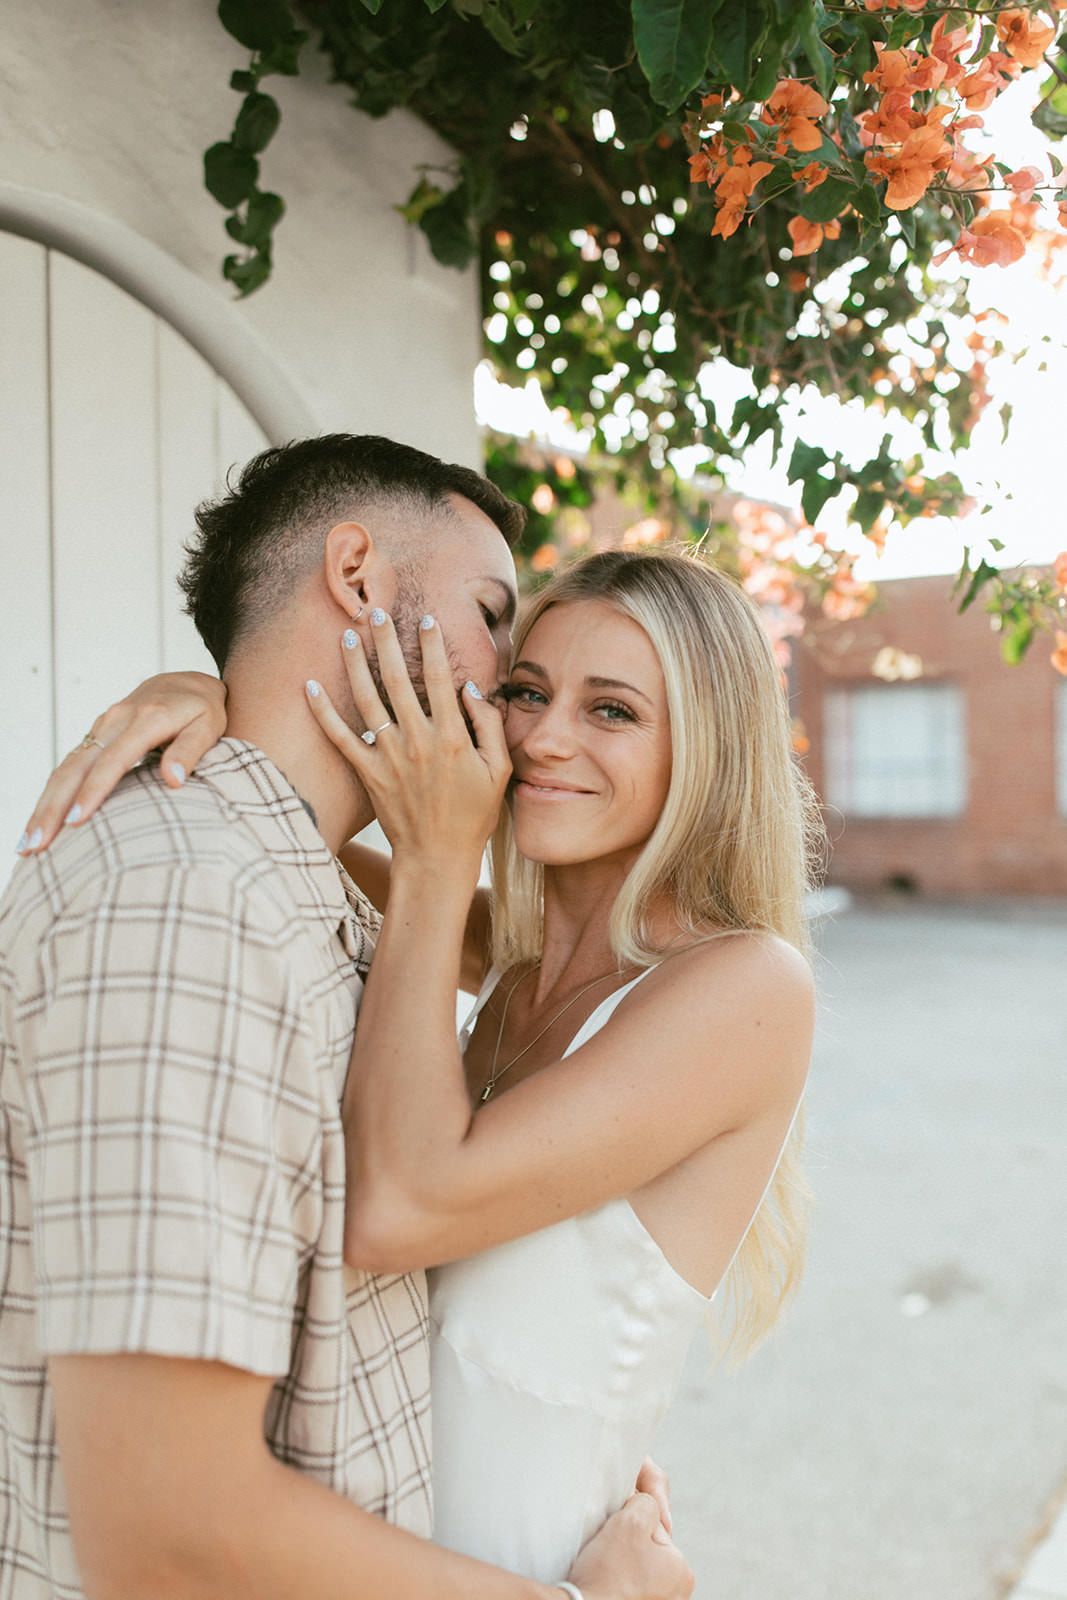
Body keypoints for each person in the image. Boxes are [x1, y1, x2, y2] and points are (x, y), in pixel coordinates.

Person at [22, 532, 822, 1581]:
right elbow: (275, 826)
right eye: (526, 691)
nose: (541, 739)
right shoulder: (507, 955)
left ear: (705, 752)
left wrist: (438, 856)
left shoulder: (744, 988)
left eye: (611, 710)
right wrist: (208, 701)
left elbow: (397, 1207)